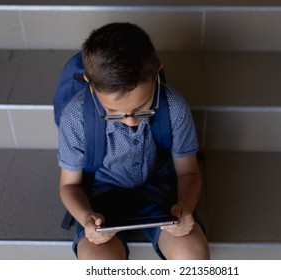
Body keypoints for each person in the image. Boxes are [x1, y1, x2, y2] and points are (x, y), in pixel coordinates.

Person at [57, 22, 210, 260]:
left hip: (159, 188)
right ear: (89, 82)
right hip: (100, 197)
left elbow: (189, 173)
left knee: (192, 256)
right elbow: (69, 186)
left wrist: (186, 208)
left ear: (157, 71)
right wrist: (86, 217)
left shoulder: (174, 107)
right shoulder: (75, 117)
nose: (131, 122)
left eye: (142, 109)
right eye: (113, 112)